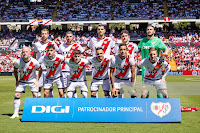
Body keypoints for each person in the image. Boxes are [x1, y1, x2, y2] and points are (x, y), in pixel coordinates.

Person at [10, 47, 42, 119]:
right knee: (17, 95)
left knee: (35, 95)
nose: (25, 53)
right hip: (22, 81)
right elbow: (15, 70)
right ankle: (15, 113)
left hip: (32, 81)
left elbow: (40, 69)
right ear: (21, 53)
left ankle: (35, 112)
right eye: (23, 52)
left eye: (26, 52)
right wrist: (17, 80)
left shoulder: (34, 62)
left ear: (30, 53)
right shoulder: (18, 61)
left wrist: (37, 80)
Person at [58, 31, 85, 98]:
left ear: (73, 37)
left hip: (73, 70)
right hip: (63, 70)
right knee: (63, 88)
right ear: (65, 37)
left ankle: (74, 102)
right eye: (67, 36)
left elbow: (83, 55)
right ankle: (64, 102)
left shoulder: (77, 45)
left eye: (70, 36)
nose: (69, 38)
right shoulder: (61, 46)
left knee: (73, 88)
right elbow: (59, 57)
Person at [33, 28, 59, 97]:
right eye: (42, 34)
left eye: (45, 34)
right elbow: (34, 56)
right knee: (37, 88)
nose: (44, 35)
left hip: (49, 69)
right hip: (39, 70)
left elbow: (57, 53)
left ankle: (49, 105)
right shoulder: (37, 44)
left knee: (49, 89)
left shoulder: (52, 43)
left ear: (48, 35)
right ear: (40, 35)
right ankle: (37, 104)